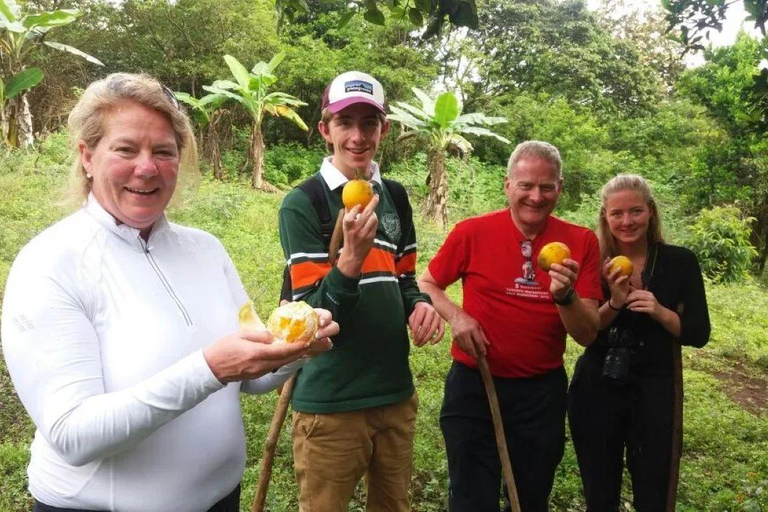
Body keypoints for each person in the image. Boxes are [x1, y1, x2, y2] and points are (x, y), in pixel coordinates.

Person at [1, 73, 338, 512]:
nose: (147, 167)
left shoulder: (205, 249)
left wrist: (296, 348)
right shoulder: (50, 262)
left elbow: (250, 375)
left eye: (164, 151)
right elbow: (73, 434)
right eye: (126, 149)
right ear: (87, 156)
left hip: (220, 499)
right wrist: (209, 368)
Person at [277, 71, 444, 512]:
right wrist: (350, 260)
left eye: (368, 123)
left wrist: (421, 306)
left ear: (383, 129)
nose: (357, 135)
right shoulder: (305, 203)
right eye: (344, 122)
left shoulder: (395, 196)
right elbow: (308, 316)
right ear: (325, 130)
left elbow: (404, 278)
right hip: (332, 402)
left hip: (395, 395)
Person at [418, 140, 602, 512]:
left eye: (546, 186)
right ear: (507, 186)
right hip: (474, 387)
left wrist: (565, 296)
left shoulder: (581, 242)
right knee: (471, 499)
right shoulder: (472, 232)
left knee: (530, 497)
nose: (536, 196)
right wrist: (457, 316)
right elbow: (427, 284)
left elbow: (586, 334)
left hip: (540, 395)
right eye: (526, 186)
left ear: (559, 189)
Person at [567, 174, 710, 511]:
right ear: (605, 216)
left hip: (655, 391)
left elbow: (698, 333)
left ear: (650, 212)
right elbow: (585, 331)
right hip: (596, 388)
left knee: (654, 491)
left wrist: (658, 310)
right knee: (599, 493)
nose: (627, 221)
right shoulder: (592, 260)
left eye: (635, 211)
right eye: (616, 213)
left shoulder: (680, 262)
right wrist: (615, 302)